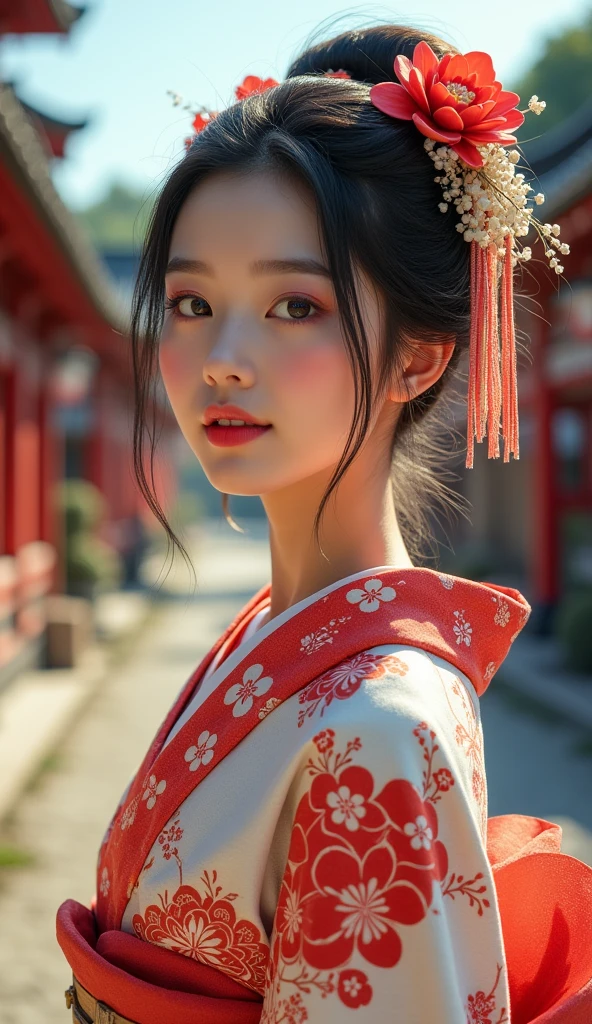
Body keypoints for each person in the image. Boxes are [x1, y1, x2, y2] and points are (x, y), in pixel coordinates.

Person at [57, 24, 592, 1024]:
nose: (220, 357)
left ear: (419, 357)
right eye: (188, 300)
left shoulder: (381, 725)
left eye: (293, 306)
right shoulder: (267, 637)